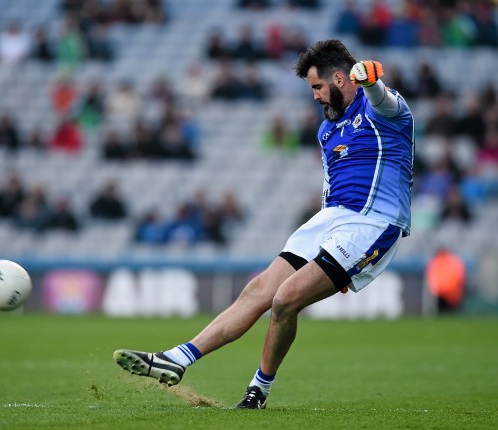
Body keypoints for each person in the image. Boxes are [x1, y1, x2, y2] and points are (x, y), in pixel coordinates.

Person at [113, 39, 415, 409]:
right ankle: (177, 358)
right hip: (330, 220)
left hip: (372, 223)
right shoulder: (326, 131)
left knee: (284, 300)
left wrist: (370, 81)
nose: (315, 96)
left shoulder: (382, 110)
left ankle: (258, 391)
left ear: (340, 79)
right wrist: (329, 253)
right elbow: (330, 188)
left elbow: (384, 98)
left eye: (318, 87)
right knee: (258, 290)